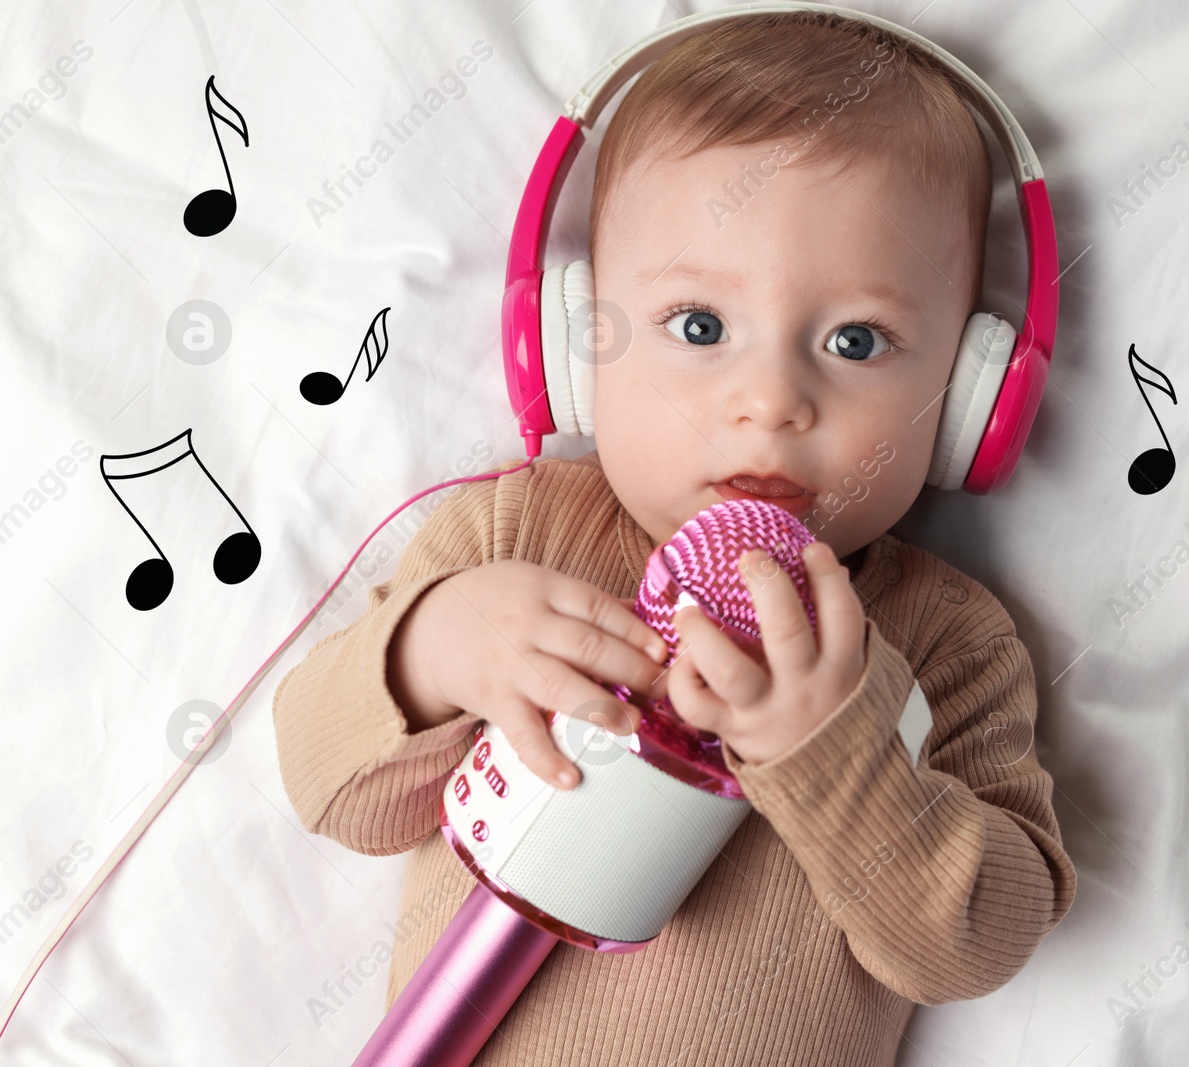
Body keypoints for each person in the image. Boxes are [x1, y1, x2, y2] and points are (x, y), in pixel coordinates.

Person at [273, 10, 1075, 1065]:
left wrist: (835, 753)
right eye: (698, 326)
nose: (769, 399)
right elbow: (336, 792)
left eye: (856, 340)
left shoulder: (943, 640)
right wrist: (432, 652)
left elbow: (975, 944)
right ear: (570, 346)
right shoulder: (514, 535)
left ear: (971, 402)